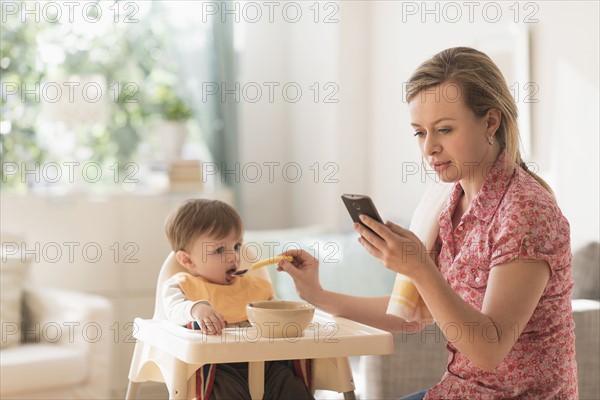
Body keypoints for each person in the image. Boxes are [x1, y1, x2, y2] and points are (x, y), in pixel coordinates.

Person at [277, 47, 577, 399]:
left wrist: (419, 266)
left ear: (491, 122)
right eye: (419, 133)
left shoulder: (525, 212)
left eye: (445, 129)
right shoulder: (448, 203)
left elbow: (488, 350)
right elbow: (407, 315)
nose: (429, 148)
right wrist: (317, 295)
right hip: (461, 391)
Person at [163, 199, 314, 400]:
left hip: (267, 363)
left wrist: (288, 309)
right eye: (219, 250)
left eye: (236, 245)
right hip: (218, 368)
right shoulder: (183, 285)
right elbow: (173, 311)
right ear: (188, 260)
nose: (233, 256)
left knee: (292, 387)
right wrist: (197, 309)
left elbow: (278, 314)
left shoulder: (254, 287)